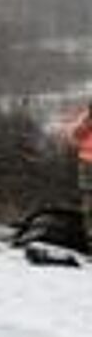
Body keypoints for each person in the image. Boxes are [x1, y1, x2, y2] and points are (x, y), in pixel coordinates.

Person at [72, 100, 92, 244]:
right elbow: (74, 137)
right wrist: (87, 124)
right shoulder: (85, 120)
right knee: (89, 204)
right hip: (87, 165)